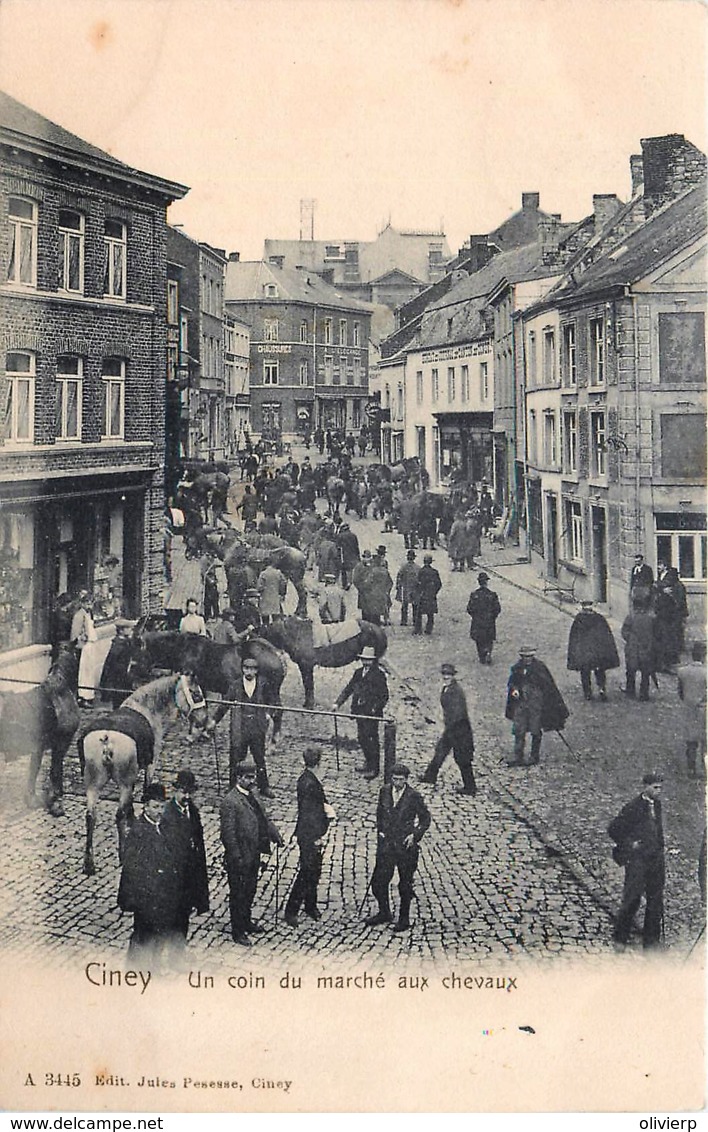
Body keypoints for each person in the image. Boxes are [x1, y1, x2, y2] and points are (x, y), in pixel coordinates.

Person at [117, 782, 182, 969]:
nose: (159, 811)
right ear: (145, 806)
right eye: (154, 807)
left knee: (159, 931)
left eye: (161, 807)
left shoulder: (164, 826)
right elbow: (132, 866)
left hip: (162, 893)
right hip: (145, 895)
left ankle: (153, 965)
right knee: (142, 933)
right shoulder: (138, 831)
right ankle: (134, 968)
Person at [220, 761, 284, 946]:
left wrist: (275, 834)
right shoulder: (230, 802)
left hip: (254, 852)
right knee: (238, 894)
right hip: (239, 857)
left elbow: (263, 818)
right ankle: (238, 931)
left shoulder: (253, 794)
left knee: (250, 890)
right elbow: (228, 835)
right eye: (248, 777)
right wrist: (236, 857)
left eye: (253, 776)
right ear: (238, 778)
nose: (252, 780)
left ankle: (246, 922)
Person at [364, 763, 431, 932]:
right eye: (394, 779)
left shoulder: (414, 796)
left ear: (406, 780)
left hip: (405, 846)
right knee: (379, 881)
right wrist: (380, 831)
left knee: (405, 884)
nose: (397, 783)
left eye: (400, 780)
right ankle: (384, 912)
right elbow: (379, 814)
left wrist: (414, 836)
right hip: (387, 845)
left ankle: (404, 919)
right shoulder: (384, 791)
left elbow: (425, 819)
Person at [608, 772, 666, 950]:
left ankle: (651, 941)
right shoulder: (633, 806)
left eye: (660, 788)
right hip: (638, 860)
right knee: (632, 898)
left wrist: (660, 846)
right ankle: (620, 938)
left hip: (655, 859)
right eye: (655, 788)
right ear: (645, 787)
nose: (658, 791)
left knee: (655, 900)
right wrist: (629, 844)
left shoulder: (657, 804)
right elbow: (614, 829)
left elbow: (657, 827)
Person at [284, 748, 336, 927]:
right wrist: (317, 836)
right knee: (307, 871)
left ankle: (310, 905)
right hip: (309, 835)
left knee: (315, 870)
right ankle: (291, 910)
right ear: (319, 762)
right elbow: (309, 814)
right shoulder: (310, 783)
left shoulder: (308, 779)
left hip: (309, 833)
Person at [161, 770, 209, 950]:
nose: (186, 796)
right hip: (173, 879)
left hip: (189, 877)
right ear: (175, 791)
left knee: (183, 918)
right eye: (183, 792)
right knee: (170, 921)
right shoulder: (167, 815)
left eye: (190, 792)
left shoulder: (193, 812)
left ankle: (177, 956)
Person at [505, 645, 569, 766]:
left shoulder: (539, 668)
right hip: (521, 702)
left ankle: (534, 756)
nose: (527, 659)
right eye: (525, 657)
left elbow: (548, 685)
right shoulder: (517, 668)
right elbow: (512, 682)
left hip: (536, 703)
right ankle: (518, 755)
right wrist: (514, 689)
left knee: (535, 728)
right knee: (519, 728)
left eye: (529, 657)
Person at [333, 646, 389, 780]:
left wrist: (375, 708)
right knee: (362, 738)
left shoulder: (379, 675)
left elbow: (384, 696)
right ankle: (368, 762)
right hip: (359, 712)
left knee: (372, 740)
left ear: (373, 661)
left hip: (371, 714)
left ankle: (374, 768)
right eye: (364, 659)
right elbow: (349, 688)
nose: (366, 662)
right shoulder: (358, 673)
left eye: (368, 660)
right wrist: (337, 703)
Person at [420, 664, 476, 795]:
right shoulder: (447, 688)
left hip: (460, 729)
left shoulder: (456, 691)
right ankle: (430, 776)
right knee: (440, 751)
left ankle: (470, 787)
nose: (446, 677)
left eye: (448, 675)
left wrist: (450, 727)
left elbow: (458, 713)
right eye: (444, 674)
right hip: (452, 728)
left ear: (453, 676)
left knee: (462, 758)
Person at [229, 655, 277, 797]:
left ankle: (264, 787)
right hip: (241, 727)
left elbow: (273, 701)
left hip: (257, 728)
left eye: (252, 669)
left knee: (259, 758)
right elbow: (225, 704)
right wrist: (213, 721)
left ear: (256, 671)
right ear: (243, 669)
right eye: (246, 668)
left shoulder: (263, 684)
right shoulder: (236, 685)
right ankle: (233, 787)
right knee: (237, 758)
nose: (249, 672)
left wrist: (268, 713)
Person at [566, 599, 620, 700]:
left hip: (585, 652)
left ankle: (587, 692)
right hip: (597, 652)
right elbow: (606, 635)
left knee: (585, 672)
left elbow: (574, 638)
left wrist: (575, 653)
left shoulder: (579, 619)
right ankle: (601, 689)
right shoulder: (599, 618)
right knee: (600, 671)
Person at [676, 642, 707, 777]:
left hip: (689, 708)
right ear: (704, 656)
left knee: (691, 741)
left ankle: (691, 768)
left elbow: (680, 692)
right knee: (705, 741)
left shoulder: (682, 671)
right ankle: (705, 769)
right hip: (704, 709)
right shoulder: (706, 673)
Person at [621, 597, 656, 701]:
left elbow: (624, 632)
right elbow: (656, 634)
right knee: (646, 673)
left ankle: (630, 691)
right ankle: (644, 694)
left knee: (631, 671)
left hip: (633, 649)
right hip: (647, 649)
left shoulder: (630, 617)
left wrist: (630, 640)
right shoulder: (651, 619)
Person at [70, 591, 99, 707]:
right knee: (84, 672)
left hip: (91, 645)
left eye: (91, 603)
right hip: (85, 646)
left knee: (89, 671)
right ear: (82, 603)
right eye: (87, 603)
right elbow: (75, 634)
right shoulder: (79, 615)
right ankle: (83, 697)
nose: (89, 606)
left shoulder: (88, 614)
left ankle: (89, 695)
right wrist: (82, 639)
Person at [99, 618, 135, 708]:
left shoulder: (126, 642)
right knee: (119, 698)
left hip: (124, 676)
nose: (131, 630)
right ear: (121, 630)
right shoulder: (117, 645)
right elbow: (112, 664)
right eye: (129, 628)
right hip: (119, 677)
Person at [466, 572, 501, 664]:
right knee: (489, 639)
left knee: (479, 639)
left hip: (478, 621)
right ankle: (488, 652)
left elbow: (469, 608)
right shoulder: (492, 595)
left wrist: (475, 616)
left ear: (478, 582)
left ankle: (482, 656)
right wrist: (493, 617)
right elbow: (497, 608)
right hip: (489, 621)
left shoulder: (474, 595)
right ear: (486, 582)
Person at [413, 554, 442, 636]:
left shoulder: (421, 571)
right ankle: (428, 629)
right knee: (430, 614)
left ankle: (418, 629)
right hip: (431, 595)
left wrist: (418, 592)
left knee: (419, 613)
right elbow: (439, 584)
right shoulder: (434, 572)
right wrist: (434, 592)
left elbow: (417, 583)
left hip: (422, 594)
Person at [256, 560, 287, 624]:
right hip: (275, 599)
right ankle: (275, 632)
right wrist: (281, 593)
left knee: (265, 620)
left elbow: (259, 587)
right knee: (276, 619)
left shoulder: (263, 574)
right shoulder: (278, 573)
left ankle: (267, 631)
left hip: (265, 599)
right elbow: (284, 583)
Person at [395, 549, 421, 628]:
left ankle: (404, 620)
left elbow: (399, 577)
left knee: (405, 605)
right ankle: (414, 620)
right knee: (414, 605)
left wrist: (398, 586)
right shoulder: (417, 567)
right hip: (414, 588)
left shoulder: (404, 567)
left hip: (406, 588)